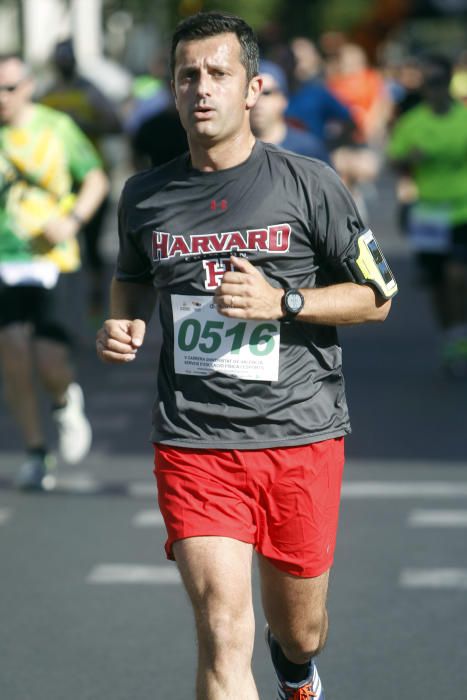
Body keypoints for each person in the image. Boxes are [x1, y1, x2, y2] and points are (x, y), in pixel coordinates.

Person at [97, 12, 395, 700]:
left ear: (252, 87)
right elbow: (133, 276)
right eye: (187, 77)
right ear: (172, 91)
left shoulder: (308, 182)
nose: (202, 89)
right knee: (222, 632)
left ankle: (295, 671)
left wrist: (284, 303)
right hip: (194, 441)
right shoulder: (144, 196)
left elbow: (376, 298)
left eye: (218, 74)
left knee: (301, 631)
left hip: (300, 435)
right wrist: (123, 323)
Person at [0, 53, 109, 489]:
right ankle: (34, 452)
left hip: (54, 259)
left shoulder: (56, 127)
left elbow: (96, 178)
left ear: (28, 87)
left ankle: (65, 401)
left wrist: (73, 221)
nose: (2, 98)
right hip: (5, 260)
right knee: (13, 354)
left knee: (49, 360)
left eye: (9, 88)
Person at [388, 54, 467, 377]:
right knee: (436, 282)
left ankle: (460, 330)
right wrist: (409, 158)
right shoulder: (413, 122)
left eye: (438, 82)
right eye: (427, 84)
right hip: (428, 212)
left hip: (462, 208)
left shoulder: (463, 118)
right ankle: (450, 335)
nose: (432, 90)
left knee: (457, 275)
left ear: (448, 82)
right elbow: (393, 161)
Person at [41, 39, 121, 320]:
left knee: (93, 244)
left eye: (68, 58)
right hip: (57, 182)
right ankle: (61, 305)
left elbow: (115, 123)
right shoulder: (47, 94)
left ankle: (97, 299)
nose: (64, 63)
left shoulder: (90, 91)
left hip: (90, 176)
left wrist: (80, 125)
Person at [251, 59, 331, 162]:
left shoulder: (308, 149)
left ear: (283, 100)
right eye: (252, 93)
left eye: (267, 93)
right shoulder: (232, 153)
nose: (258, 101)